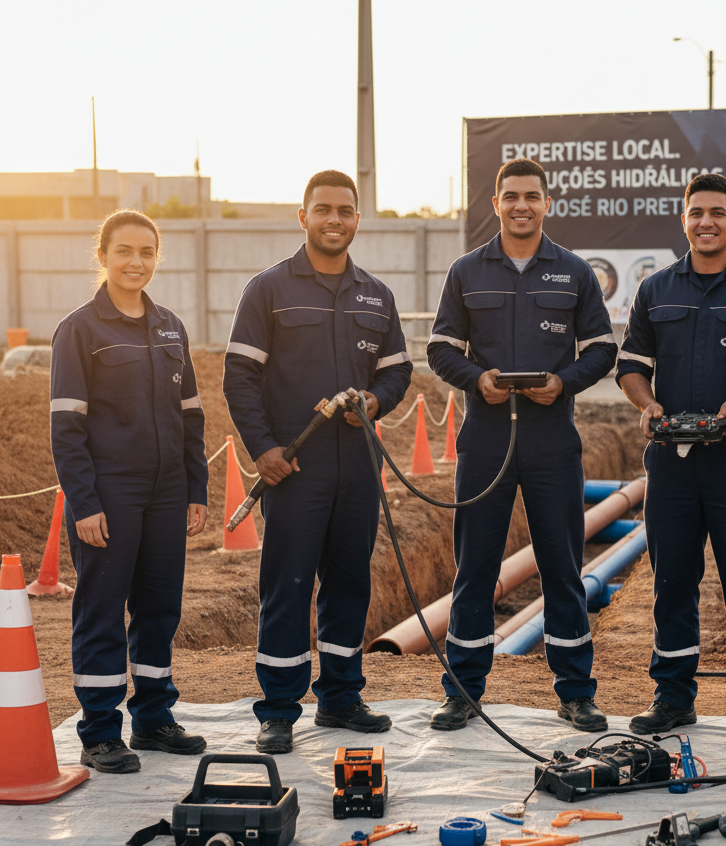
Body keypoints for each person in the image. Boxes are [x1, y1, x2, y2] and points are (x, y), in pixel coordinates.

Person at [223, 170, 411, 754]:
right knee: (287, 584)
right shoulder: (268, 289)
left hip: (357, 466)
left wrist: (375, 401)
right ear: (303, 216)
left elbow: (397, 372)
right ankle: (279, 710)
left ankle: (340, 698)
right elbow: (239, 377)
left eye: (345, 210)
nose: (335, 219)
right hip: (295, 469)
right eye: (323, 209)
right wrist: (263, 449)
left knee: (349, 582)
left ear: (357, 219)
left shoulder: (376, 295)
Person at [426, 159, 617, 731]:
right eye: (511, 196)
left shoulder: (574, 272)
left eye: (532, 196)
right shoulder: (466, 271)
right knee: (475, 568)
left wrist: (564, 382)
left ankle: (576, 691)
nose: (521, 206)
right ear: (496, 204)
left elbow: (602, 348)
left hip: (551, 440)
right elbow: (440, 348)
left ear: (547, 203)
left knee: (562, 566)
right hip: (485, 440)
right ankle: (462, 692)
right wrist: (475, 379)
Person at [616, 172, 726, 745]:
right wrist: (647, 405)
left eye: (717, 212)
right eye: (696, 212)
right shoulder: (656, 288)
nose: (706, 222)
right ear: (684, 220)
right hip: (670, 465)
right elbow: (630, 366)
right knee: (672, 582)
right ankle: (673, 698)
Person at [50, 210, 209, 773]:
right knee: (102, 607)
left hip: (168, 491)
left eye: (146, 252)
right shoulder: (79, 330)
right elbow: (66, 428)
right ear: (103, 256)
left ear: (157, 258)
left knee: (159, 607)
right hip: (110, 490)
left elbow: (191, 415)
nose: (135, 262)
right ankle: (99, 731)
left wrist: (196, 487)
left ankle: (153, 719)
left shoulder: (170, 326)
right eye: (124, 251)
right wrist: (84, 502)